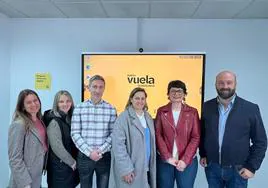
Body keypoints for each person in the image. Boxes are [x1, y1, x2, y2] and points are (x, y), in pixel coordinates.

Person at [199, 70, 267, 188]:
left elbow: (261, 141)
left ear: (235, 84)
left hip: (238, 169)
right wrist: (203, 153)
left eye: (229, 83)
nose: (225, 86)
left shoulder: (250, 108)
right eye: (221, 83)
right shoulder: (206, 107)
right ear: (215, 84)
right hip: (212, 168)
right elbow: (202, 134)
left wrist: (251, 167)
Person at [71, 75, 117, 188]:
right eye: (95, 86)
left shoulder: (111, 109)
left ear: (104, 89)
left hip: (104, 157)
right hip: (84, 157)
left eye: (101, 87)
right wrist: (90, 152)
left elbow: (113, 134)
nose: (97, 90)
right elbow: (75, 133)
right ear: (89, 88)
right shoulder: (79, 108)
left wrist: (100, 151)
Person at [155, 80, 200, 188]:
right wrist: (167, 157)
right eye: (173, 91)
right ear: (168, 94)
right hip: (165, 161)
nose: (176, 94)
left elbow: (196, 137)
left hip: (187, 162)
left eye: (179, 91)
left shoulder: (193, 112)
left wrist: (185, 160)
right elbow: (158, 135)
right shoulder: (161, 111)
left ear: (184, 94)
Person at [109, 87, 156, 188]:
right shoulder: (123, 118)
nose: (140, 101)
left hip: (146, 168)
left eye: (142, 98)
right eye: (137, 98)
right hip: (131, 170)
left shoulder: (148, 117)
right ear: (131, 99)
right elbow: (118, 146)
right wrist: (126, 169)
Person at [8, 89, 48, 188]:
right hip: (24, 180)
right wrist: (25, 184)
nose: (33, 104)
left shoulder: (40, 121)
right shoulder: (19, 124)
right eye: (29, 102)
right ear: (23, 107)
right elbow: (14, 158)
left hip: (37, 177)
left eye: (35, 100)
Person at [43, 90, 79, 188]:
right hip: (59, 169)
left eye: (68, 101)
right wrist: (72, 162)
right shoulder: (54, 121)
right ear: (56, 104)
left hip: (66, 168)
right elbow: (57, 146)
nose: (65, 104)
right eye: (61, 101)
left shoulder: (68, 118)